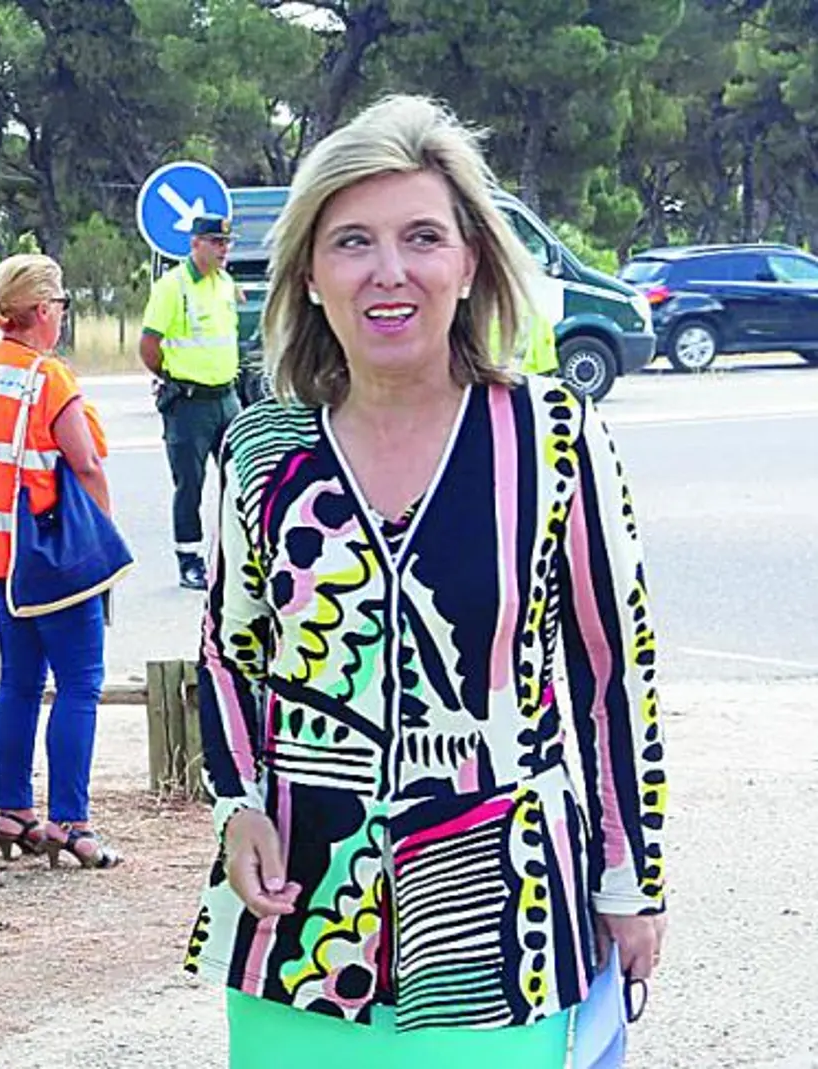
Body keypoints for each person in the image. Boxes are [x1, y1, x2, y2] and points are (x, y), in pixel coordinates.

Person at [184, 94, 667, 1067]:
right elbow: (230, 649)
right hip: (303, 916)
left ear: (470, 261)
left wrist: (629, 878)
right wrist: (235, 802)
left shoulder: (553, 440)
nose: (388, 270)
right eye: (352, 241)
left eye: (421, 237)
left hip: (508, 918)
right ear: (309, 276)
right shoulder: (260, 450)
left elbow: (612, 674)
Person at [0, 254, 121, 869]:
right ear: (43, 311)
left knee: (20, 681)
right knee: (80, 684)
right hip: (51, 559)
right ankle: (70, 823)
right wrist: (102, 542)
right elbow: (85, 463)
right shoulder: (47, 378)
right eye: (60, 307)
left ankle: (14, 811)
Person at [141, 214, 243, 590]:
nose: (224, 249)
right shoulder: (173, 287)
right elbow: (149, 345)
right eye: (216, 242)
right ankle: (189, 559)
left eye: (226, 243)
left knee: (241, 480)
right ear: (195, 243)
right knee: (191, 484)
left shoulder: (225, 283)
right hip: (189, 402)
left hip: (227, 398)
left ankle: (240, 554)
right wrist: (172, 378)